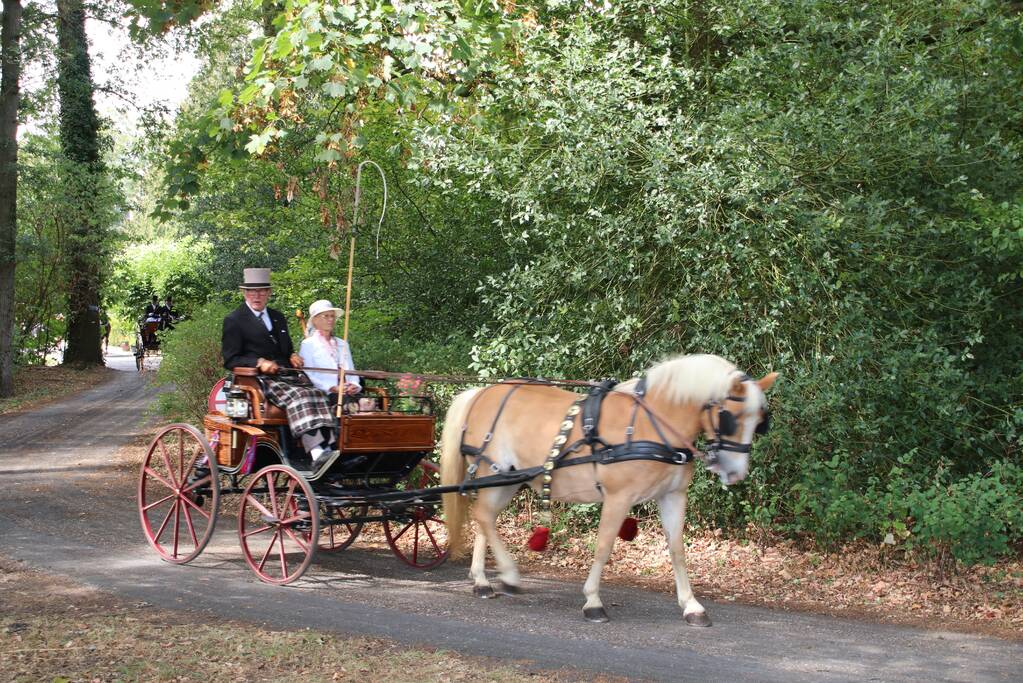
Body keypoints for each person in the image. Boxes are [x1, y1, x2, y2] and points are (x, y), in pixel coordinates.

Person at [221, 268, 337, 466]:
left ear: (268, 293)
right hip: (259, 381)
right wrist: (258, 362)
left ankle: (330, 448)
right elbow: (230, 359)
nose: (257, 296)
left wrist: (292, 356)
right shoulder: (234, 320)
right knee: (301, 396)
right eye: (252, 292)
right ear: (244, 293)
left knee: (319, 393)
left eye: (262, 291)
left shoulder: (278, 317)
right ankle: (317, 452)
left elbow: (286, 349)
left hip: (287, 375)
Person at [299, 300, 361, 409]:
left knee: (372, 405)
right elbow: (309, 375)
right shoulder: (308, 344)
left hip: (348, 392)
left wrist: (354, 385)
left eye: (332, 316)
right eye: (326, 316)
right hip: (325, 394)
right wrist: (332, 387)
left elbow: (352, 371)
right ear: (315, 320)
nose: (331, 319)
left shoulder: (343, 344)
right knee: (352, 407)